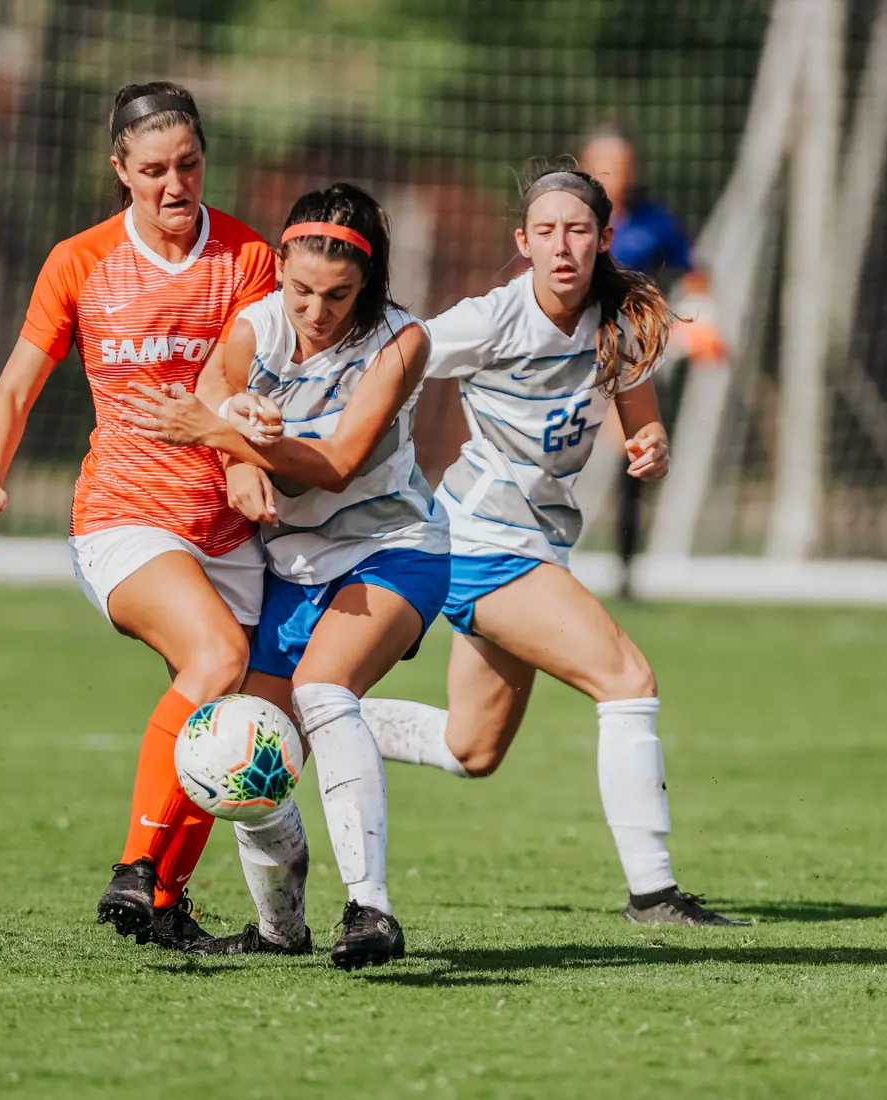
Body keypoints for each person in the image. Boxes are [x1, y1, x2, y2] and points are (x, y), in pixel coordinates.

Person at [354, 166, 744, 926]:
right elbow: (389, 361)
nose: (562, 246)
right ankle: (655, 894)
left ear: (604, 239)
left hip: (535, 543)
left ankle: (319, 715)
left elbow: (639, 412)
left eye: (577, 230)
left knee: (472, 748)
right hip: (481, 540)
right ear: (523, 242)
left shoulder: (620, 319)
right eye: (546, 231)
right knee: (628, 680)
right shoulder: (492, 319)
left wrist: (652, 444)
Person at [0, 82, 277, 947]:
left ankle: (165, 904)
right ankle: (135, 867)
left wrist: (246, 460)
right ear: (120, 171)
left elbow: (243, 384)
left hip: (226, 529)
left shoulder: (248, 257)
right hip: (124, 517)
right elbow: (14, 388)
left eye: (189, 165)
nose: (175, 185)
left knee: (231, 712)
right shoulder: (80, 261)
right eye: (154, 170)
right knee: (219, 657)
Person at [120, 183, 450, 968]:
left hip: (391, 547)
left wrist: (223, 437)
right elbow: (213, 387)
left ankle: (370, 910)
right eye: (301, 289)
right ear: (280, 269)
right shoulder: (258, 325)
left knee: (323, 690)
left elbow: (335, 466)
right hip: (292, 568)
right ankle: (280, 931)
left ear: (368, 283)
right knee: (249, 745)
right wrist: (236, 444)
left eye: (338, 295)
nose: (316, 310)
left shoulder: (401, 342)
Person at [578, 122, 726, 596]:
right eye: (605, 165)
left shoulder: (654, 220)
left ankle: (625, 571)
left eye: (622, 165)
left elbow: (694, 273)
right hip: (570, 358)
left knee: (635, 460)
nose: (615, 174)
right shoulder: (567, 219)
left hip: (633, 358)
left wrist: (702, 322)